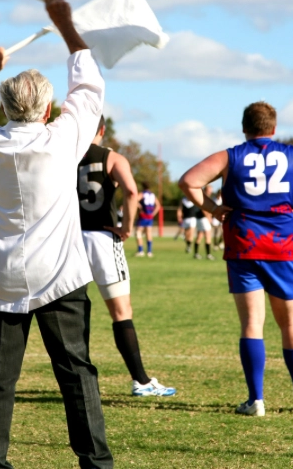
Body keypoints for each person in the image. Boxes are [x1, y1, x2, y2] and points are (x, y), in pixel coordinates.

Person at [0, 0, 113, 469]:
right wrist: (64, 24)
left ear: (4, 107)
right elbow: (88, 87)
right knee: (76, 375)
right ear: (46, 111)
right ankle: (96, 465)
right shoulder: (62, 139)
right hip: (59, 277)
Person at [179, 102, 293, 417]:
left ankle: (256, 401)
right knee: (291, 322)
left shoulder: (230, 155)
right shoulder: (292, 154)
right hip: (283, 245)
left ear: (244, 127)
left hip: (244, 244)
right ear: (274, 128)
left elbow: (189, 182)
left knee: (252, 323)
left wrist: (212, 209)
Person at [78, 117, 177, 397]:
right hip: (102, 238)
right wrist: (126, 227)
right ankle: (142, 381)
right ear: (102, 129)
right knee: (121, 312)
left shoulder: (66, 154)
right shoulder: (112, 158)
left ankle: (79, 381)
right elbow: (131, 191)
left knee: (75, 310)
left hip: (71, 241)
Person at [134, 182, 161, 257]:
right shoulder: (152, 195)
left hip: (143, 216)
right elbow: (158, 205)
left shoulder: (142, 194)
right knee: (148, 233)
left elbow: (134, 200)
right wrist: (153, 214)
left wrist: (139, 206)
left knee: (138, 232)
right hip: (150, 217)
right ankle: (149, 252)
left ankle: (140, 251)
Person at [192, 184, 215, 260]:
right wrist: (209, 218)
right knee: (208, 235)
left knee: (200, 235)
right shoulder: (205, 197)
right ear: (206, 190)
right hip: (203, 218)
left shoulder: (202, 196)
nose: (211, 191)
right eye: (209, 190)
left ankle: (196, 254)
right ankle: (208, 254)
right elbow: (204, 209)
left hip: (199, 218)